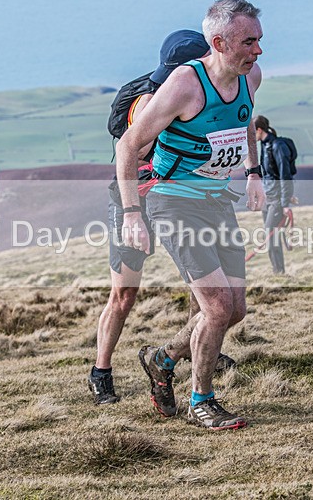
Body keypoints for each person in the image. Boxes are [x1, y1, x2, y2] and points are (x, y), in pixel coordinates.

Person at [116, 0, 265, 430]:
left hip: (216, 200)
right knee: (217, 307)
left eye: (259, 40)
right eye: (248, 42)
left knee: (235, 310)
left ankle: (161, 359)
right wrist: (131, 214)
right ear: (218, 43)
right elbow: (128, 146)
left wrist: (253, 172)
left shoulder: (250, 75)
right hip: (175, 201)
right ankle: (202, 401)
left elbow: (243, 120)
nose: (258, 51)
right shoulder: (185, 85)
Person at [89, 30, 235, 406]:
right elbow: (135, 150)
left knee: (202, 287)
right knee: (124, 294)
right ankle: (101, 372)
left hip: (180, 202)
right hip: (136, 200)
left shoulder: (209, 93)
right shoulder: (151, 100)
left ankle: (202, 348)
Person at [255, 115, 297, 274]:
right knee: (272, 237)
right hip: (267, 198)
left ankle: (279, 273)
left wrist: (285, 204)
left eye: (252, 132)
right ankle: (277, 271)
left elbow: (285, 176)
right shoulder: (264, 145)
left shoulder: (278, 146)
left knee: (271, 236)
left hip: (277, 201)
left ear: (259, 130)